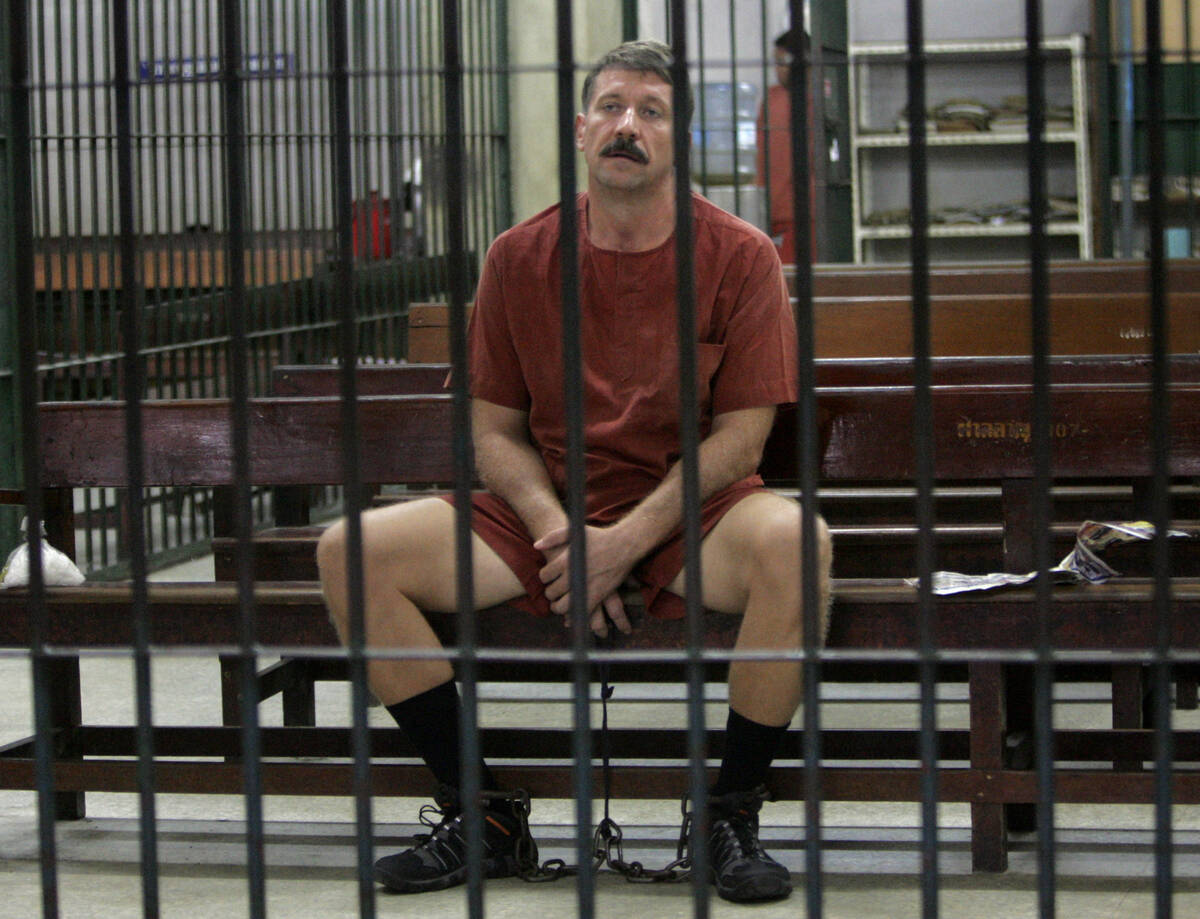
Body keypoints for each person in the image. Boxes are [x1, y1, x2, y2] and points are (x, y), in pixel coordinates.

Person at [317, 38, 832, 904]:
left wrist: (626, 541)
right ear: (582, 126)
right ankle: (482, 815)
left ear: (679, 138)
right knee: (349, 550)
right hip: (543, 516)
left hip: (692, 514)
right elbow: (492, 429)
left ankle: (728, 814)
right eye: (612, 107)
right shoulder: (518, 257)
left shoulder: (739, 255)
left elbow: (744, 439)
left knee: (798, 544)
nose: (628, 125)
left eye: (653, 111)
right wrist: (563, 535)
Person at [755, 28, 816, 264]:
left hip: (803, 212)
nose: (778, 69)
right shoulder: (771, 99)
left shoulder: (816, 99)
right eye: (776, 62)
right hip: (776, 212)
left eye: (784, 62)